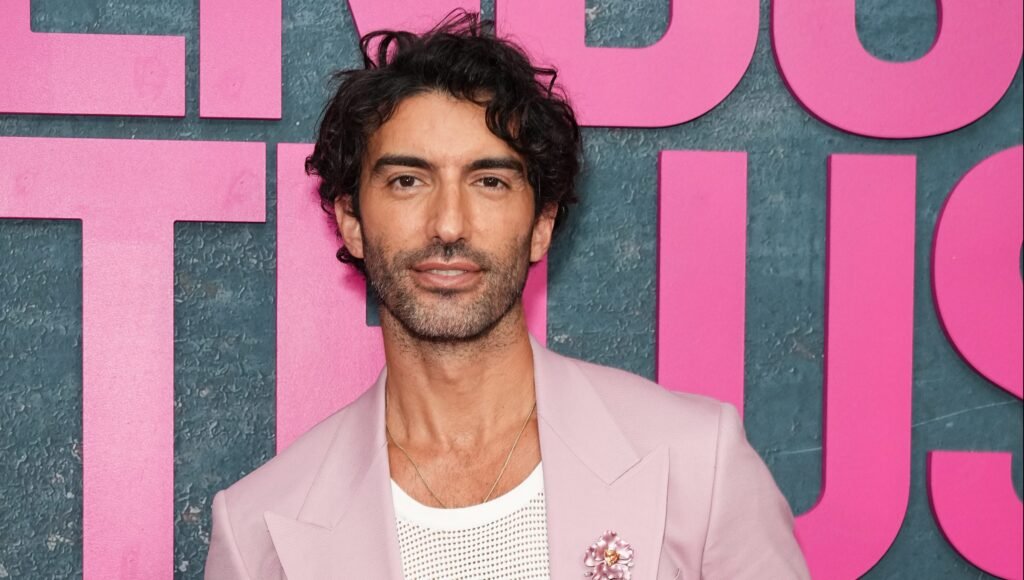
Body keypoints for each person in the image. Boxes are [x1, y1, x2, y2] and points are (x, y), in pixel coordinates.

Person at [205, 11, 809, 580]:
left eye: (489, 181)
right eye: (408, 181)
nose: (448, 224)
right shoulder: (258, 528)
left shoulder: (697, 463)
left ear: (541, 222)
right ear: (352, 221)